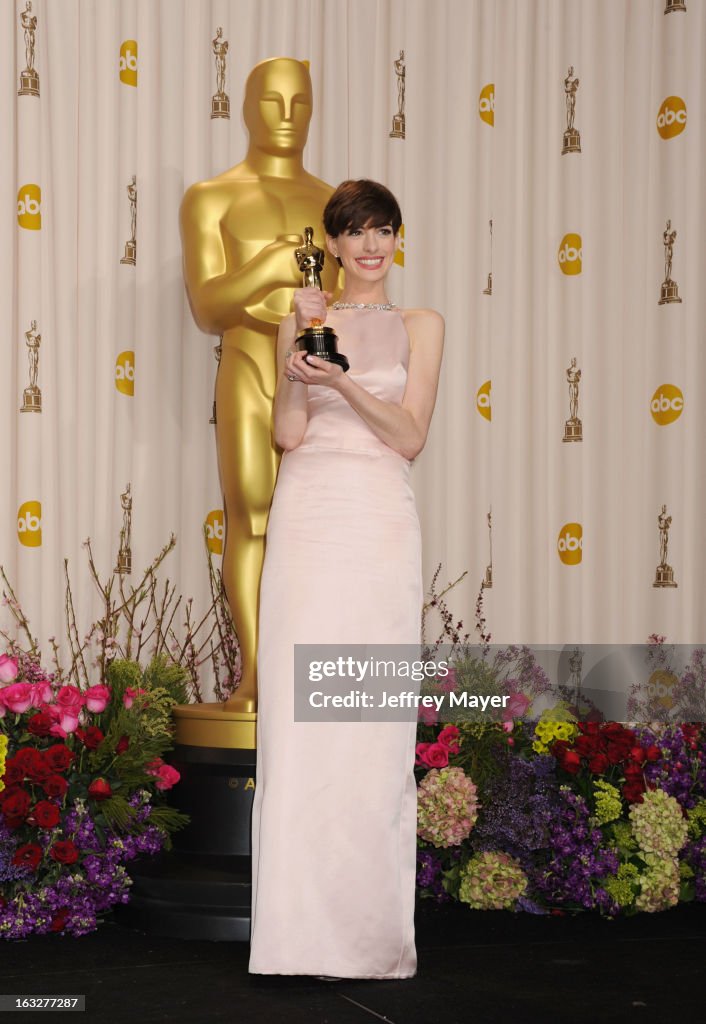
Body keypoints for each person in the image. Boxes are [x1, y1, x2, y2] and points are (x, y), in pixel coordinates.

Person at [249, 179, 444, 979]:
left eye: (384, 230)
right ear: (330, 242)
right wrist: (301, 365)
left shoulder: (421, 323)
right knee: (300, 720)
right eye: (356, 232)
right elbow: (288, 435)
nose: (371, 245)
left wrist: (344, 383)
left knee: (368, 721)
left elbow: (409, 436)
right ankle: (294, 940)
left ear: (398, 238)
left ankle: (367, 941)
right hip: (309, 519)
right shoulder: (300, 314)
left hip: (377, 519)